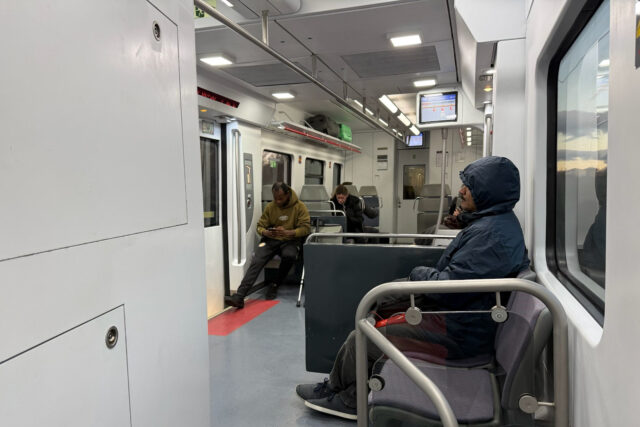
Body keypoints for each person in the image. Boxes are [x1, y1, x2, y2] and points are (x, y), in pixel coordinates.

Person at [295, 156, 530, 420]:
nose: (462, 190)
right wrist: (463, 221)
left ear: (488, 192)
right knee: (374, 317)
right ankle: (336, 387)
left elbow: (450, 289)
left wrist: (419, 273)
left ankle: (351, 401)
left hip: (459, 332)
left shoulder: (491, 236)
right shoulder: (492, 225)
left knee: (362, 337)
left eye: (470, 186)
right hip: (465, 320)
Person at [225, 182, 310, 308]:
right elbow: (260, 226)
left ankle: (275, 284)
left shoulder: (300, 207)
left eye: (280, 198)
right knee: (257, 260)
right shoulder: (271, 207)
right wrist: (265, 232)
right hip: (271, 239)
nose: (278, 201)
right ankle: (239, 296)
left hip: (290, 240)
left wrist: (288, 232)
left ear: (288, 194)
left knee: (289, 256)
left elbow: (306, 228)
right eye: (275, 198)